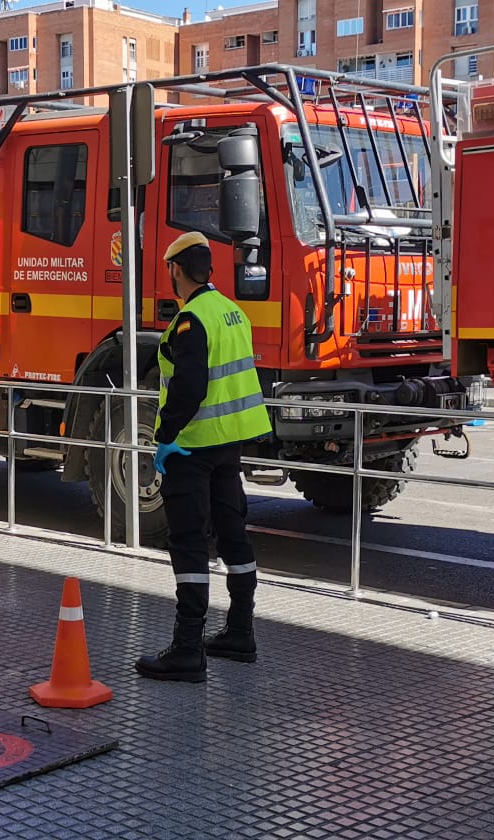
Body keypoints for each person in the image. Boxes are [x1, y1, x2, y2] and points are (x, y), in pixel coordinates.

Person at [135, 232, 274, 683]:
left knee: (189, 541)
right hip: (229, 445)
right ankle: (239, 631)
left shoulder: (191, 320)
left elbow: (190, 387)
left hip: (192, 448)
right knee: (233, 535)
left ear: (176, 269)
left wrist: (165, 435)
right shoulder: (233, 312)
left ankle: (187, 648)